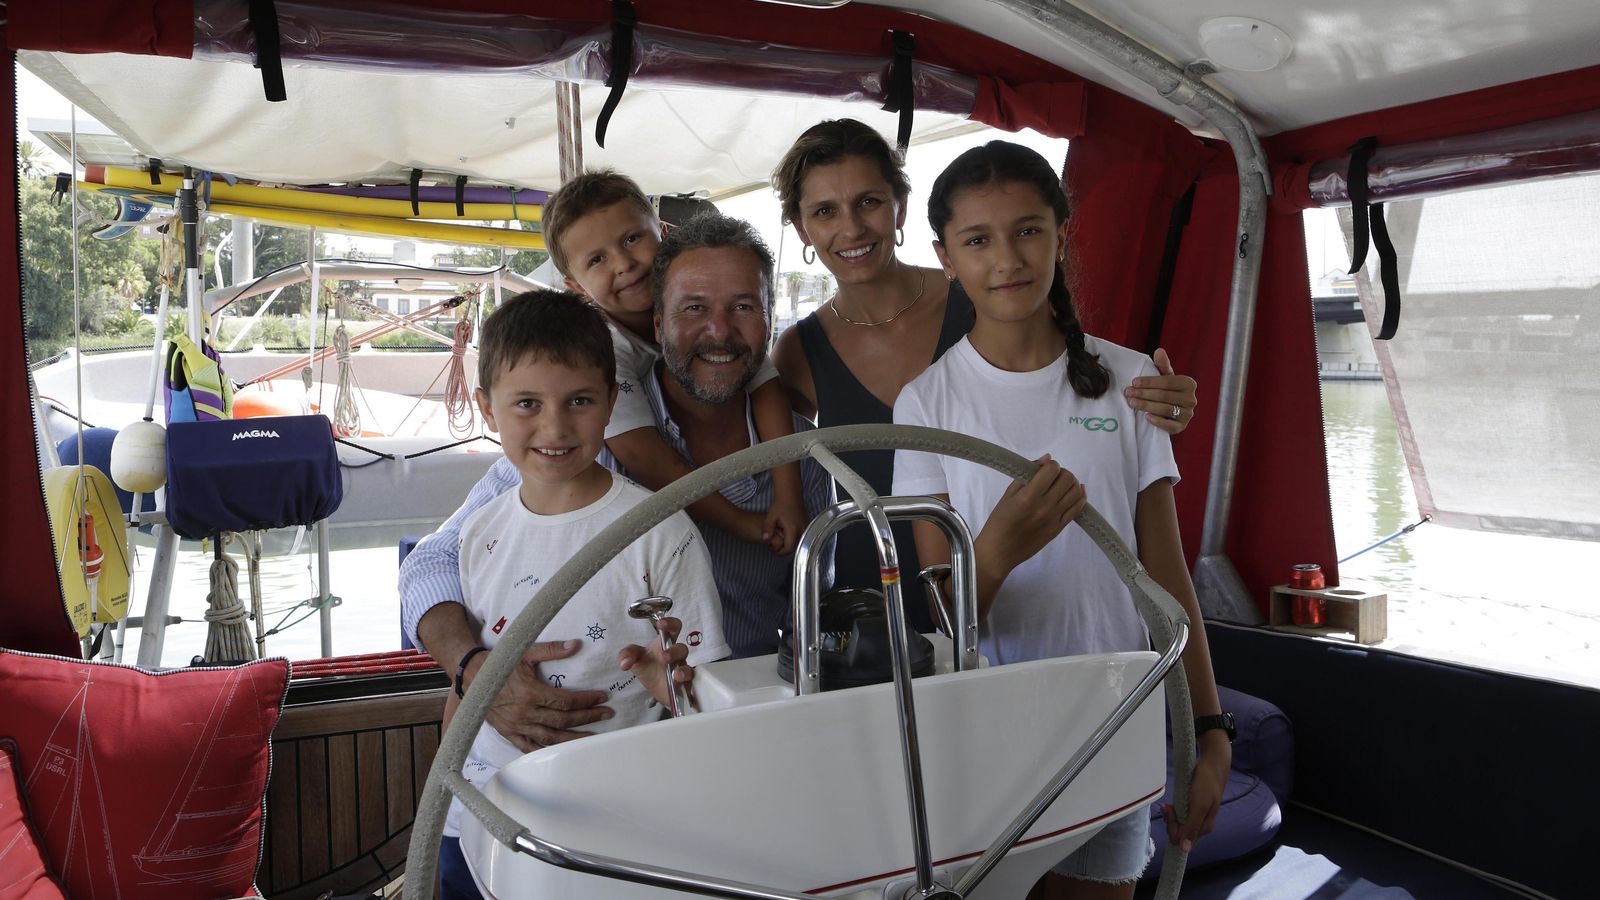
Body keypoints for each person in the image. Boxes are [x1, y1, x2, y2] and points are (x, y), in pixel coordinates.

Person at [892, 141, 1229, 898]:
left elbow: (1165, 575)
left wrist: (1208, 730)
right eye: (978, 240)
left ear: (1062, 235)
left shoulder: (1133, 381)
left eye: (1028, 230)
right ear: (946, 256)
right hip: (985, 738)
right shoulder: (926, 405)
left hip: (1113, 721)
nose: (1006, 257)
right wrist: (998, 554)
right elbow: (946, 620)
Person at [769, 119, 1199, 629]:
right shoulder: (798, 350)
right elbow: (778, 470)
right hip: (878, 599)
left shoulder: (989, 288)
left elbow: (1068, 383)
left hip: (1004, 603)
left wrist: (1162, 400)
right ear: (801, 229)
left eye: (869, 202)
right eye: (824, 212)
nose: (852, 228)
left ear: (899, 206)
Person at [437, 289, 728, 900]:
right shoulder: (478, 532)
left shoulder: (661, 532)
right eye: (526, 404)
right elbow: (465, 689)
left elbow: (707, 699)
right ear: (486, 409)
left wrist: (669, 689)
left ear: (611, 402)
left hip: (607, 824)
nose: (554, 427)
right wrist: (443, 795)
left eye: (578, 401)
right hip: (479, 816)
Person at [603, 210, 836, 657]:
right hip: (630, 717)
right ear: (657, 325)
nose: (719, 332)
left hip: (752, 706)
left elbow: (812, 620)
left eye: (744, 307)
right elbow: (437, 562)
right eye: (694, 308)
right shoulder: (594, 440)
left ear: (770, 320)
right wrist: (472, 663)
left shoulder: (806, 456)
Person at [544, 170, 808, 554]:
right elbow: (643, 454)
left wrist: (788, 493)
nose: (624, 264)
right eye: (598, 259)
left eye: (632, 239)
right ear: (577, 287)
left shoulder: (716, 315)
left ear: (662, 232)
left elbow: (765, 386)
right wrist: (737, 522)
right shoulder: (597, 347)